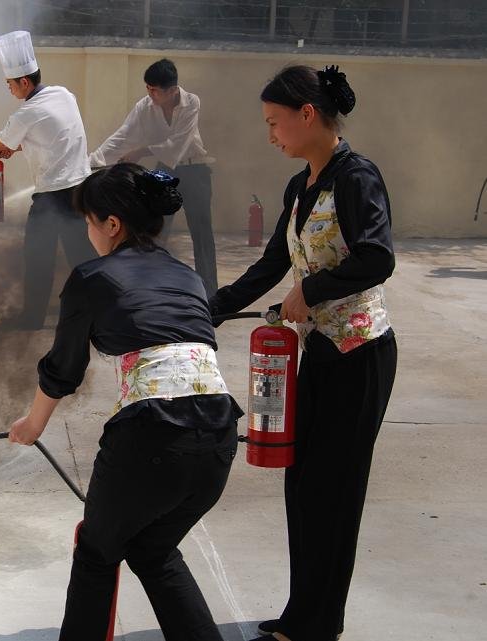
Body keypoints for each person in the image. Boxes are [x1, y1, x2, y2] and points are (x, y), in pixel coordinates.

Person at [8, 162, 243, 641]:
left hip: (153, 436)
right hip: (219, 436)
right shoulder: (187, 276)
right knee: (154, 550)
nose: (88, 233)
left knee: (97, 553)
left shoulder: (93, 277)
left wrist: (33, 424)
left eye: (89, 222)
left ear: (111, 224)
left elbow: (63, 370)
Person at [208, 65, 397, 641]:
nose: (271, 135)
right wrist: (209, 308)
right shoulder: (300, 186)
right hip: (318, 353)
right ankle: (302, 613)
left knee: (336, 490)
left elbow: (376, 258)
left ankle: (319, 623)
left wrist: (310, 291)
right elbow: (272, 263)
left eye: (274, 122)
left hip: (359, 355)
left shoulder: (357, 178)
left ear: (307, 114)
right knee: (305, 484)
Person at [0, 30, 96, 330]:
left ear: (24, 82)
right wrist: (20, 146)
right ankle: (103, 311)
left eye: (10, 84)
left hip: (53, 195)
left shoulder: (26, 113)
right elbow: (55, 134)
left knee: (37, 257)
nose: (9, 89)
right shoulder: (62, 94)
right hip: (82, 187)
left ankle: (32, 319)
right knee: (83, 258)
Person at [89, 58, 217, 295]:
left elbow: (178, 144)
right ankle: (153, 286)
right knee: (155, 229)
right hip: (165, 170)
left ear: (172, 90)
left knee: (201, 230)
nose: (150, 94)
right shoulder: (144, 106)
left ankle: (210, 292)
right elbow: (123, 136)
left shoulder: (191, 103)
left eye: (155, 90)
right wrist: (94, 161)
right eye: (147, 88)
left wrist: (141, 151)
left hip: (194, 169)